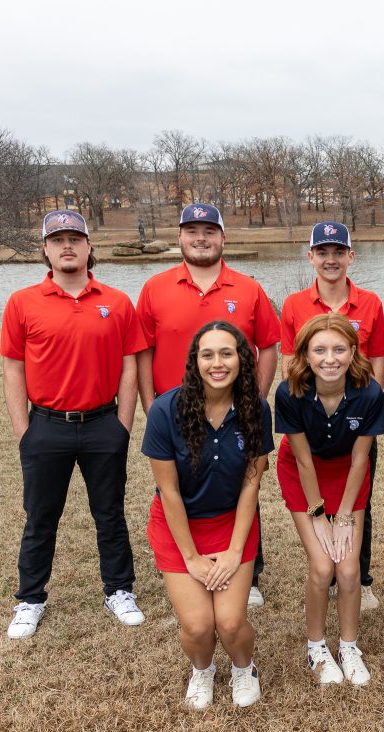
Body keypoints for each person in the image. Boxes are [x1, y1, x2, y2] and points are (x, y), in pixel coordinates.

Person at [1, 209, 147, 640]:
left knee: (110, 513)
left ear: (88, 247)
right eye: (57, 239)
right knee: (41, 516)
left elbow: (129, 366)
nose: (67, 245)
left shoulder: (117, 302)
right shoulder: (22, 302)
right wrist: (23, 431)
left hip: (103, 423)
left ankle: (119, 590)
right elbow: (13, 369)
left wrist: (122, 424)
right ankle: (30, 598)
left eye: (75, 238)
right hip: (46, 426)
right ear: (45, 250)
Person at [136, 203, 280, 608]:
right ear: (180, 236)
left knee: (242, 483)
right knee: (179, 488)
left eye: (209, 230)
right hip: (175, 417)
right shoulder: (155, 288)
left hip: (235, 411)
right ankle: (185, 563)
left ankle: (248, 571)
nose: (201, 238)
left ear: (222, 237)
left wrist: (254, 400)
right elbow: (143, 350)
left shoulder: (248, 288)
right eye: (192, 230)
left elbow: (268, 345)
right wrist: (151, 407)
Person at [142, 321, 274, 709]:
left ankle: (242, 668)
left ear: (242, 359)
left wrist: (235, 552)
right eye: (208, 354)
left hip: (232, 524)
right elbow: (169, 492)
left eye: (227, 353)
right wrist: (191, 558)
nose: (218, 363)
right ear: (195, 361)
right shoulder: (167, 410)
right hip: (178, 527)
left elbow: (252, 483)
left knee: (231, 624)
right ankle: (202, 670)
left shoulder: (256, 409)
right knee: (199, 626)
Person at [279, 222, 384, 611]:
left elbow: (376, 360)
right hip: (312, 416)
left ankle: (361, 577)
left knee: (360, 500)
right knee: (318, 493)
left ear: (350, 257)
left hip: (356, 417)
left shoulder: (371, 302)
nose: (330, 259)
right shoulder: (294, 305)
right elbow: (291, 362)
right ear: (311, 257)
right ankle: (325, 564)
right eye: (322, 252)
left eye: (338, 252)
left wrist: (363, 406)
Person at [275, 314, 384, 686]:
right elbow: (302, 459)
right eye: (319, 350)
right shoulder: (289, 391)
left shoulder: (369, 392)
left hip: (347, 474)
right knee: (323, 567)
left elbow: (360, 459)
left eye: (339, 349)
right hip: (304, 474)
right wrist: (319, 513)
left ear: (352, 351)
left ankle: (349, 646)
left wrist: (345, 516)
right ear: (305, 354)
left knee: (349, 568)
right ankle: (316, 647)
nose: (330, 358)